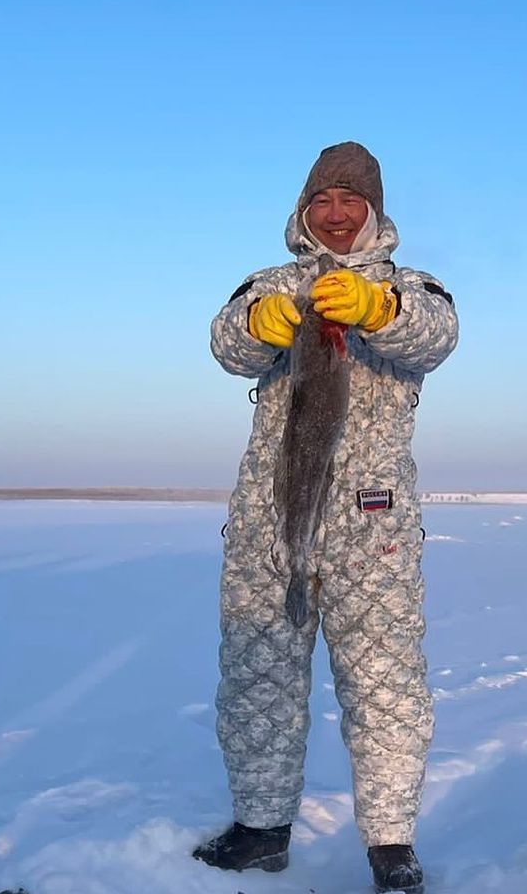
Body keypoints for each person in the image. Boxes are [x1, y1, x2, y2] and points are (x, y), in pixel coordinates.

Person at [194, 141, 459, 894]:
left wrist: (380, 309)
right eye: (323, 201)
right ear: (303, 211)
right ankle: (261, 829)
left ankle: (390, 847)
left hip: (370, 529)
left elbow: (436, 336)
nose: (336, 214)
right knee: (258, 676)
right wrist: (259, 324)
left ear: (374, 212)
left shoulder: (414, 288)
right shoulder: (270, 284)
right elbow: (226, 343)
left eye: (352, 201)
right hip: (271, 520)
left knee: (383, 683)